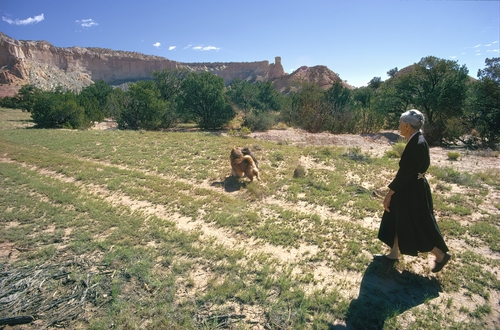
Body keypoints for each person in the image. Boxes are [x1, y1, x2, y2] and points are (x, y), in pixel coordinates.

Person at [376, 109, 451, 273]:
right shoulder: (417, 139)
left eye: (400, 124)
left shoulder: (417, 143)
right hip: (411, 185)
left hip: (411, 189)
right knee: (395, 215)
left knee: (414, 223)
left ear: (407, 125)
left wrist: (389, 193)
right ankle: (394, 253)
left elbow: (405, 174)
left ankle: (440, 255)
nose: (399, 127)